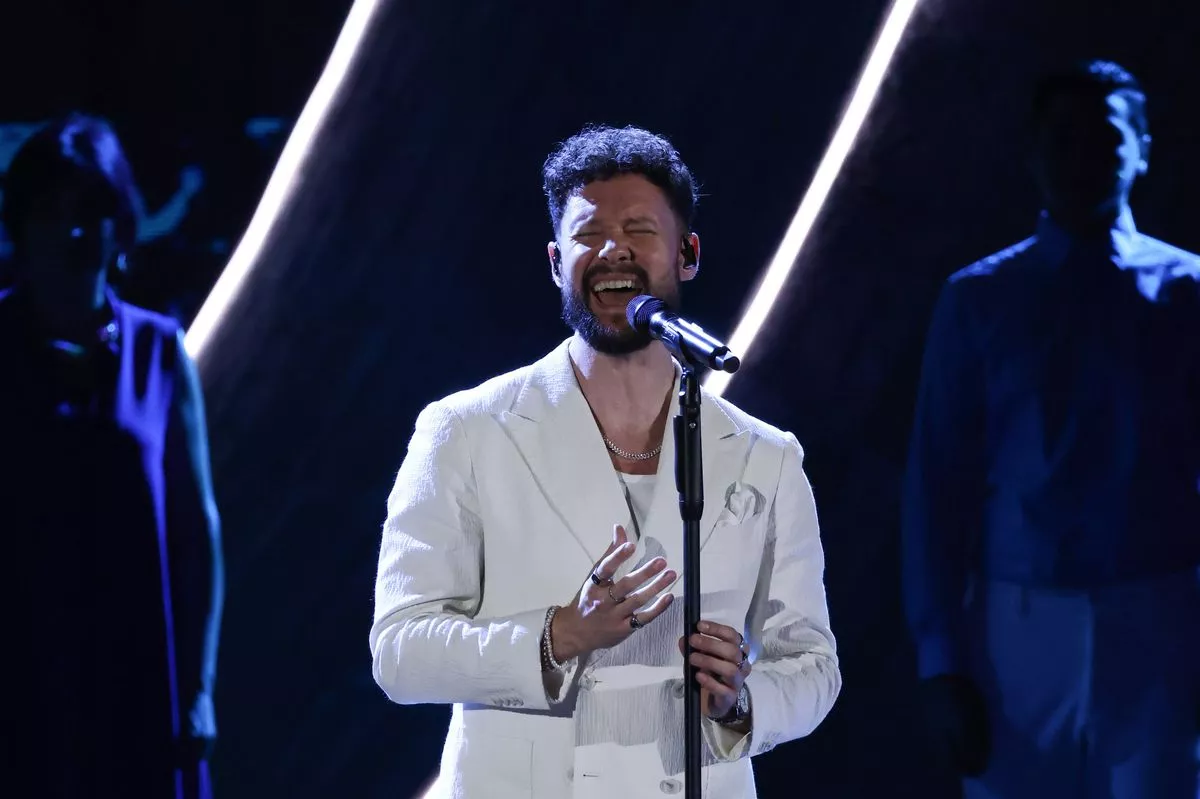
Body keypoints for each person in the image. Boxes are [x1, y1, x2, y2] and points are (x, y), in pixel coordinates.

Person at [370, 124, 840, 798]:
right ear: (556, 261)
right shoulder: (467, 431)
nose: (613, 248)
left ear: (687, 253)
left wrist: (740, 701)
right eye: (588, 234)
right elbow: (400, 650)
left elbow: (813, 664)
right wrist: (556, 636)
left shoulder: (764, 456)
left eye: (639, 229)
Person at [903, 60, 1200, 798]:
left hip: (1163, 616)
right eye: (1062, 138)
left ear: (1141, 149)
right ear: (1033, 152)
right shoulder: (979, 299)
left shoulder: (1189, 291)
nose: (1082, 157)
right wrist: (941, 660)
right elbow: (936, 485)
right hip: (1015, 631)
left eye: (1104, 137)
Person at [0, 113, 224, 797]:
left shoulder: (159, 352)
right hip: (23, 689)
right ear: (21, 226)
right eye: (51, 212)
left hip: (142, 686)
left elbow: (195, 534)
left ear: (118, 225)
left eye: (89, 212)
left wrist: (197, 689)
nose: (72, 232)